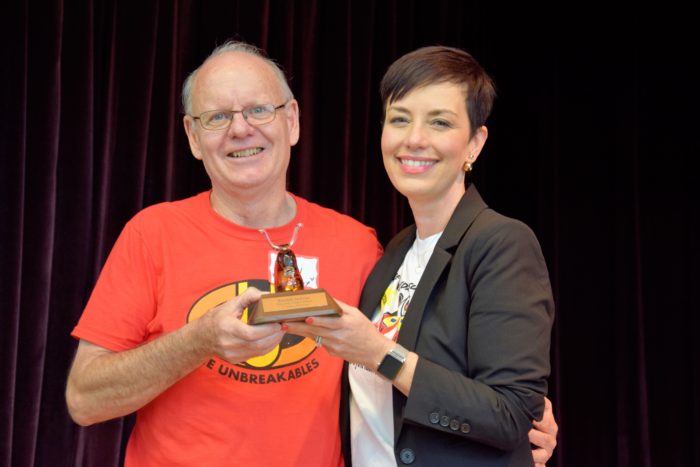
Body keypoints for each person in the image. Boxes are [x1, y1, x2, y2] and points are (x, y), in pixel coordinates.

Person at [66, 41, 557, 466]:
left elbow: (420, 361)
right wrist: (200, 339)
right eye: (217, 117)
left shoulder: (362, 246)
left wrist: (522, 413)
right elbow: (84, 400)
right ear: (193, 138)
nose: (241, 130)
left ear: (294, 120)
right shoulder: (153, 233)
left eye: (260, 109)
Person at [287, 45, 555, 466]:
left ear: (474, 144)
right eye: (400, 119)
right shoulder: (394, 253)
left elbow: (509, 416)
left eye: (440, 122)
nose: (414, 139)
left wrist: (378, 353)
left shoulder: (501, 243)